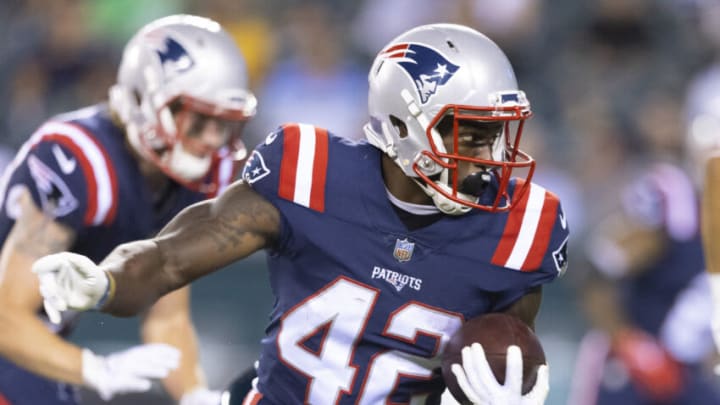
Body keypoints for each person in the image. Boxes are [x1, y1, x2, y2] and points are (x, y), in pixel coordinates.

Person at [32, 23, 567, 404]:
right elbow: (169, 259)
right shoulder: (310, 173)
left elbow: (498, 357)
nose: (491, 155)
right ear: (404, 125)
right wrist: (103, 281)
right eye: (472, 133)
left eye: (496, 133)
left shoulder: (522, 230)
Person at [0, 14, 256, 405]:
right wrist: (96, 370)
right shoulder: (78, 160)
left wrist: (193, 395)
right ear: (143, 99)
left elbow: (167, 313)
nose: (210, 140)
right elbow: (7, 317)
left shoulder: (195, 177)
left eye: (222, 124)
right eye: (197, 119)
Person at [568, 91, 720, 405]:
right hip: (631, 370)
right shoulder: (673, 197)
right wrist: (632, 346)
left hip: (690, 373)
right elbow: (595, 273)